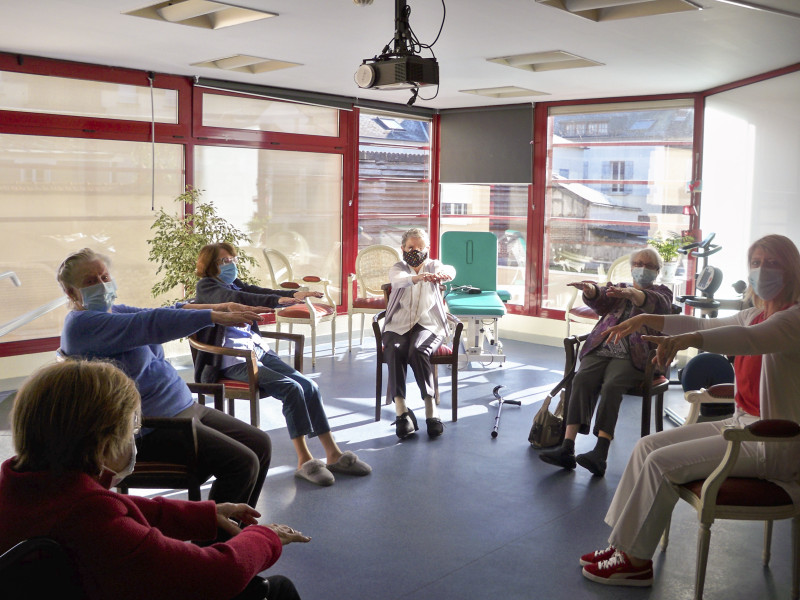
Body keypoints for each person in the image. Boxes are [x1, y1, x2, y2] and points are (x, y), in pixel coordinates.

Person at [579, 233, 800, 587]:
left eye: (772, 262)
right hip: (741, 425)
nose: (762, 270)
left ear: (791, 270)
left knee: (661, 464)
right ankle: (621, 546)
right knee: (646, 446)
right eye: (756, 262)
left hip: (770, 443)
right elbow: (700, 324)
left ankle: (635, 562)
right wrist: (645, 319)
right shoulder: (755, 314)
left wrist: (688, 342)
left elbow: (749, 342)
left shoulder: (792, 320)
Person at [0, 359, 309, 600]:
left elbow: (112, 508)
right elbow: (215, 575)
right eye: (131, 431)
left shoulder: (19, 486)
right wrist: (265, 537)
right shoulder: (92, 519)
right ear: (105, 444)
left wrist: (206, 514)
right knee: (275, 589)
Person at [58, 247, 272, 510]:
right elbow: (151, 323)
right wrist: (213, 316)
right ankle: (214, 544)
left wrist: (220, 305)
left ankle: (238, 530)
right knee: (243, 463)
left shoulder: (111, 313)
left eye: (104, 277)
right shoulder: (83, 326)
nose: (102, 286)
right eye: (90, 281)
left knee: (261, 444)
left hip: (181, 410)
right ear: (70, 292)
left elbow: (164, 311)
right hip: (150, 427)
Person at [194, 242, 371, 487]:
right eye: (225, 261)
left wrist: (291, 296)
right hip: (233, 359)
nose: (231, 265)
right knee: (292, 388)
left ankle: (333, 454)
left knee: (309, 385)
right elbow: (240, 298)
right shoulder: (207, 287)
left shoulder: (232, 283)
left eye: (233, 260)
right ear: (210, 265)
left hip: (258, 351)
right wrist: (280, 298)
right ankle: (304, 460)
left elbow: (255, 289)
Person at [539, 247, 673, 477]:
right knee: (581, 379)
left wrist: (633, 294)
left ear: (657, 271)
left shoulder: (663, 293)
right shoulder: (619, 288)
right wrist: (591, 291)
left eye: (649, 266)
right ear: (631, 267)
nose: (642, 269)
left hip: (636, 354)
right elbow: (601, 300)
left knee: (612, 385)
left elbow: (654, 304)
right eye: (638, 263)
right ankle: (567, 448)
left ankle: (600, 452)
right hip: (602, 347)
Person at [382, 228, 456, 439]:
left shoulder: (434, 265)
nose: (416, 251)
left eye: (421, 248)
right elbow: (399, 280)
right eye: (411, 247)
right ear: (403, 248)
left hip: (428, 325)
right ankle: (401, 411)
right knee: (395, 350)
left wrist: (445, 274)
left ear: (428, 249)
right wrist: (419, 277)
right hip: (398, 324)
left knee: (418, 350)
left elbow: (450, 269)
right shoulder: (398, 267)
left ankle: (430, 409)